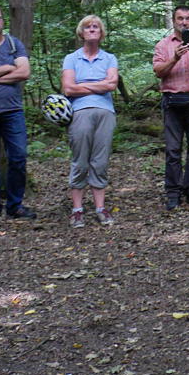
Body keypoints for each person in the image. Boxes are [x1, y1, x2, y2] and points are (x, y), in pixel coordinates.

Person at [0, 5, 35, 223]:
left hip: (13, 111)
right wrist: (8, 68)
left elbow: (25, 72)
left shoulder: (13, 44)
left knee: (18, 157)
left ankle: (15, 205)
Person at [153, 6, 189, 210]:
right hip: (172, 100)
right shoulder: (163, 45)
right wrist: (175, 58)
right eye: (180, 18)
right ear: (174, 21)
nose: (184, 22)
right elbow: (158, 72)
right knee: (172, 149)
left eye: (188, 18)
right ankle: (173, 192)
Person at [61, 15, 119, 228]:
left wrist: (82, 85)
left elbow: (112, 85)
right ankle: (77, 210)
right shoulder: (71, 59)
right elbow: (68, 88)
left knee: (100, 160)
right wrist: (99, 84)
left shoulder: (110, 58)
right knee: (80, 160)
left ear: (101, 33)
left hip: (106, 112)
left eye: (96, 27)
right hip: (79, 112)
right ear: (81, 32)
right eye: (88, 27)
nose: (92, 30)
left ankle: (100, 208)